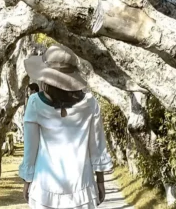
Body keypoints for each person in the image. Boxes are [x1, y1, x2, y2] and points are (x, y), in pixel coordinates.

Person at [19, 45, 113, 209]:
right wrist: (100, 180)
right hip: (82, 189)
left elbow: (30, 149)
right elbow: (96, 146)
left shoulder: (35, 103)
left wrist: (27, 181)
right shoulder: (89, 102)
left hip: (44, 190)